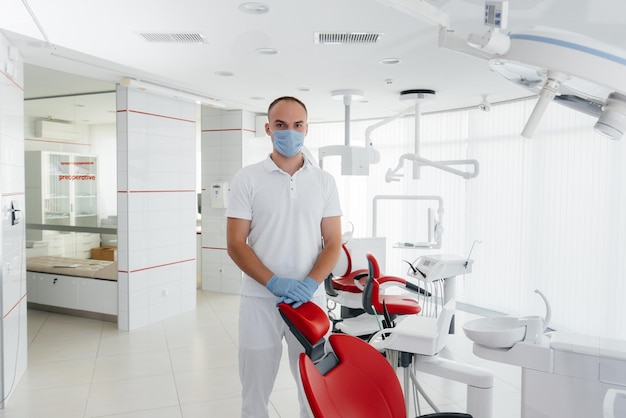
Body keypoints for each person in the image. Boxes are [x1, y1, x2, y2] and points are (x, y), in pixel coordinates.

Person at [225, 96, 343, 418]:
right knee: (255, 391)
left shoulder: (324, 182)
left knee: (314, 388)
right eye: (280, 125)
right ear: (267, 128)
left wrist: (309, 283)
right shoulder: (247, 178)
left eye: (296, 125)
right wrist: (273, 282)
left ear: (307, 129)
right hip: (259, 300)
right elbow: (236, 243)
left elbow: (333, 242)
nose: (289, 132)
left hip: (310, 301)